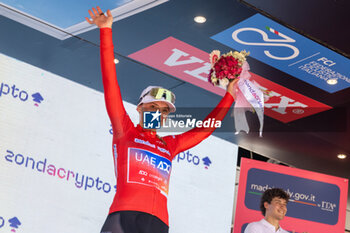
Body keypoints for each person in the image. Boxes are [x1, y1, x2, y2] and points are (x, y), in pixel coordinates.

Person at [86, 6, 238, 233]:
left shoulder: (169, 145)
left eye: (164, 110)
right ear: (140, 108)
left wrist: (230, 96)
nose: (158, 113)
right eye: (153, 106)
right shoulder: (124, 130)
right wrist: (106, 30)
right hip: (123, 215)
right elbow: (110, 85)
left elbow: (204, 130)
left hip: (158, 223)